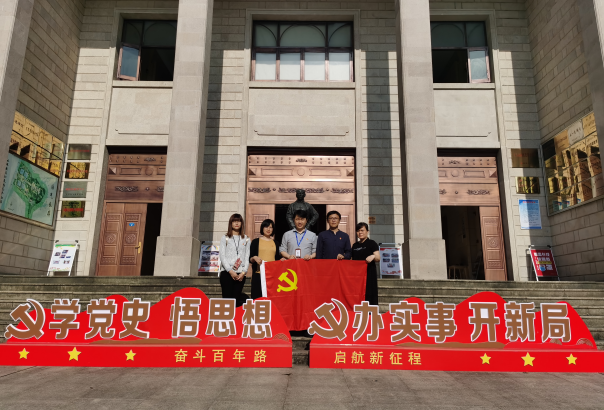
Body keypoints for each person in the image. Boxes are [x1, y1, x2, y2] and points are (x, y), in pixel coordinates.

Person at [219, 213, 251, 306]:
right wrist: (230, 271)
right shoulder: (225, 238)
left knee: (236, 300)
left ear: (242, 223)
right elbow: (222, 256)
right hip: (227, 272)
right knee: (227, 300)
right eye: (234, 221)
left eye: (239, 221)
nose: (237, 223)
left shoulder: (246, 239)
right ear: (231, 223)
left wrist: (243, 272)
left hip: (240, 274)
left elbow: (247, 257)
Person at [248, 219, 282, 299]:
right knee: (257, 299)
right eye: (266, 226)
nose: (268, 229)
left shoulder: (276, 243)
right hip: (258, 274)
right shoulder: (255, 242)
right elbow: (250, 258)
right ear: (262, 228)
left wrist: (282, 260)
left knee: (270, 299)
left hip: (272, 276)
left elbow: (277, 259)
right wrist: (254, 258)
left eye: (271, 227)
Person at [351, 222, 380, 305]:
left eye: (362, 230)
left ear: (367, 231)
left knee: (370, 294)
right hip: (357, 276)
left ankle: (371, 312)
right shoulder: (355, 245)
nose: (360, 232)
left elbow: (378, 258)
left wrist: (373, 256)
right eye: (358, 231)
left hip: (369, 274)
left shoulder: (372, 243)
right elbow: (352, 260)